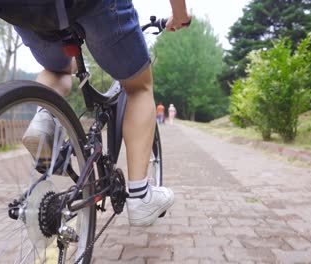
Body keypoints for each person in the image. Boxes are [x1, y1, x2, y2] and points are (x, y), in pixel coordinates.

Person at [17, 0, 191, 226]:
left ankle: (44, 118)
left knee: (57, 70)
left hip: (24, 9)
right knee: (139, 86)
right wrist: (180, 15)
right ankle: (140, 196)